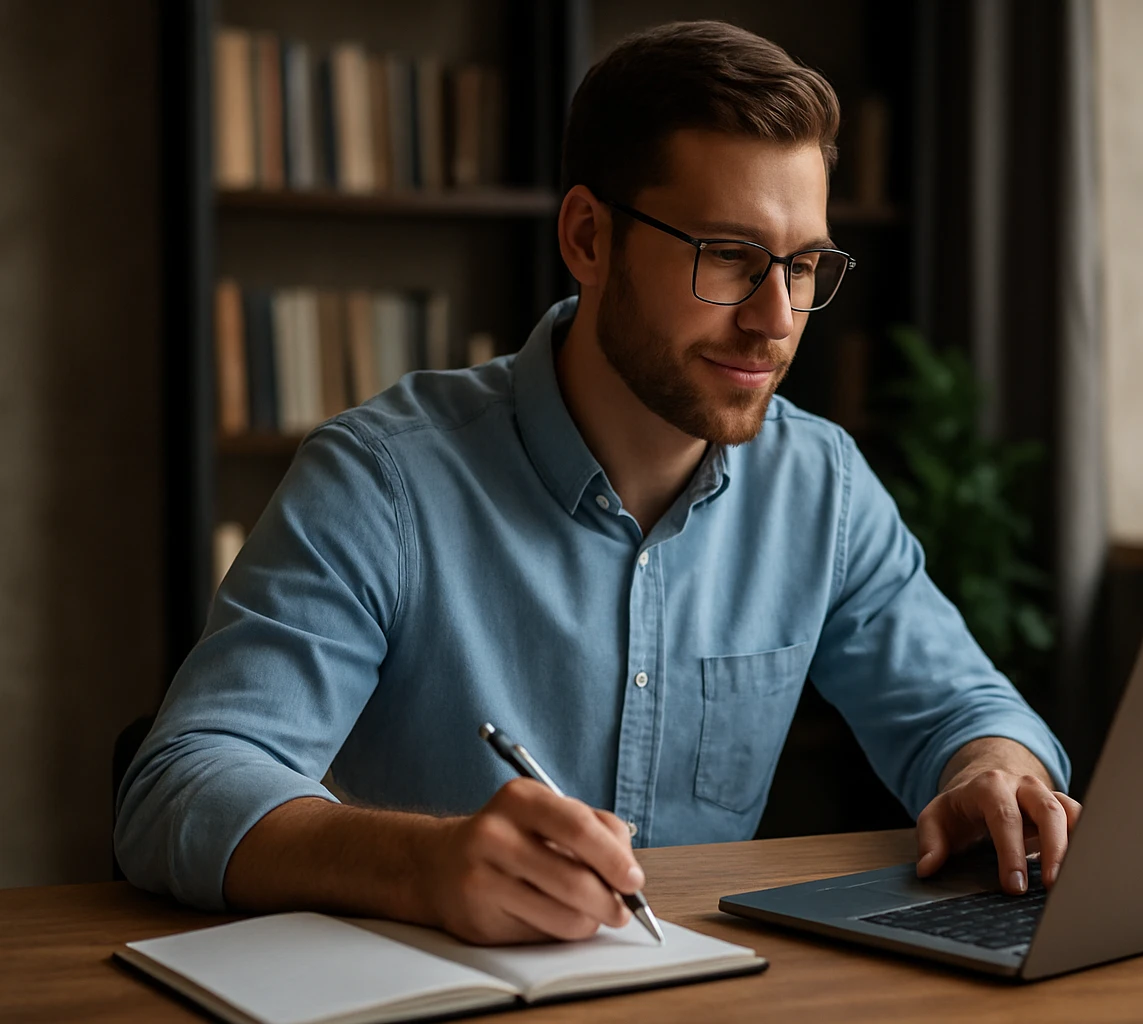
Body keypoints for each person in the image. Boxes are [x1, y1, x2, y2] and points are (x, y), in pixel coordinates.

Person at [116, 20, 1077, 945]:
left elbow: (965, 712)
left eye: (803, 266)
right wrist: (425, 865)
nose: (776, 320)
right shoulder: (382, 480)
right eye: (729, 257)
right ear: (587, 237)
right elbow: (180, 784)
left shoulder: (819, 484)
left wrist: (992, 773)